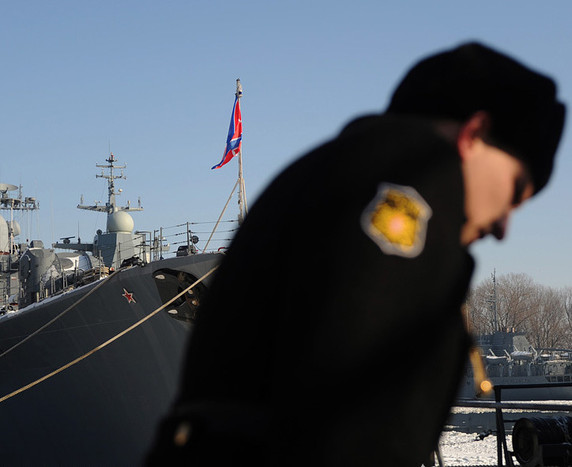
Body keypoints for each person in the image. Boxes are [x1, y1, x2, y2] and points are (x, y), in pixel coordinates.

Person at [146, 42, 566, 466]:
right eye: (515, 191)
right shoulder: (404, 197)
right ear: (473, 136)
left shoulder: (330, 174)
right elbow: (355, 425)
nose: (502, 227)